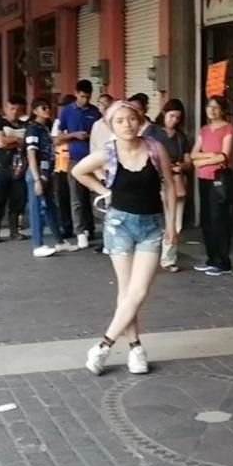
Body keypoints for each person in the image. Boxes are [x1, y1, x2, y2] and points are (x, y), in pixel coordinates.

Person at [72, 100, 177, 376]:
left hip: (152, 226)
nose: (127, 125)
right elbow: (78, 171)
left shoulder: (155, 148)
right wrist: (103, 192)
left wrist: (172, 224)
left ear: (139, 119)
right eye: (119, 121)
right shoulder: (107, 152)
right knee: (126, 291)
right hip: (119, 225)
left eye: (131, 119)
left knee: (138, 292)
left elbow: (169, 186)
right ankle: (135, 348)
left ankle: (103, 346)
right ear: (111, 125)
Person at [25, 98, 80, 258]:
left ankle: (60, 241)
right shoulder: (33, 129)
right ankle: (38, 244)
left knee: (50, 208)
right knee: (37, 209)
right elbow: (31, 153)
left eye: (48, 107)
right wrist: (36, 179)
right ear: (35, 110)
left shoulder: (45, 128)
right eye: (43, 107)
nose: (47, 110)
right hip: (37, 174)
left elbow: (54, 142)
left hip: (46, 172)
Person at [191, 96, 233, 276]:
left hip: (219, 178)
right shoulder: (204, 130)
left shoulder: (228, 129)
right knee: (207, 219)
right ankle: (211, 258)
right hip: (204, 179)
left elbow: (224, 156)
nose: (212, 110)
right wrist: (210, 155)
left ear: (223, 110)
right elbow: (194, 154)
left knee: (220, 219)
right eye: (209, 107)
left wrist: (203, 161)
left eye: (216, 107)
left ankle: (223, 262)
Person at [145, 99, 192, 273]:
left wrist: (182, 166)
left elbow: (189, 161)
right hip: (155, 180)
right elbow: (145, 154)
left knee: (175, 221)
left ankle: (168, 257)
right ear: (164, 114)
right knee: (154, 220)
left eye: (178, 118)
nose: (174, 120)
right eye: (172, 116)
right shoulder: (152, 132)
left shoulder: (181, 137)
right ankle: (149, 254)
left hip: (176, 179)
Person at [57, 80, 103, 249]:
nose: (85, 100)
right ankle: (80, 231)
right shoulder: (67, 112)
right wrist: (74, 135)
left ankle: (91, 228)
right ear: (76, 94)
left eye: (88, 97)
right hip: (74, 158)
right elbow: (58, 136)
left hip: (94, 158)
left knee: (93, 195)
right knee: (76, 196)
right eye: (82, 96)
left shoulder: (95, 112)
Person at [0, 95, 28, 243]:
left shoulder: (25, 125)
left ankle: (14, 231)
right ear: (6, 108)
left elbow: (28, 143)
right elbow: (1, 142)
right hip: (1, 167)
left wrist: (13, 141)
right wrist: (19, 141)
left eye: (18, 110)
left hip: (18, 168)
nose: (14, 112)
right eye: (12, 109)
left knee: (17, 201)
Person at [52, 94, 77, 239]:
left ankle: (84, 228)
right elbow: (56, 140)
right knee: (63, 197)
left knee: (78, 197)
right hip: (61, 164)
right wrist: (73, 135)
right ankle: (67, 226)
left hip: (76, 161)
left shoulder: (77, 119)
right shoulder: (59, 122)